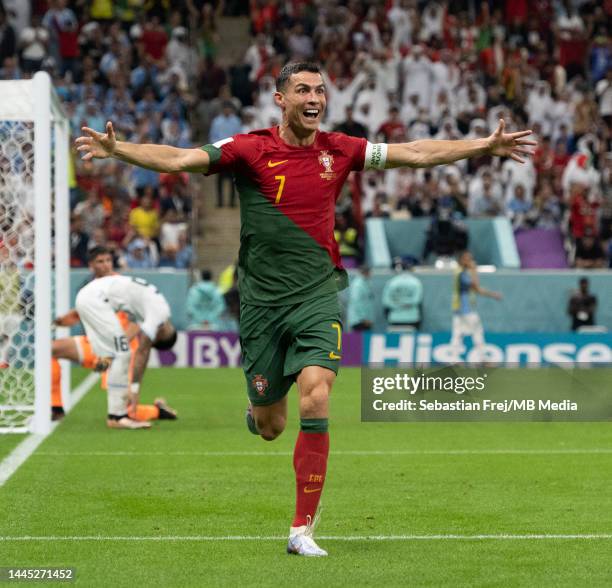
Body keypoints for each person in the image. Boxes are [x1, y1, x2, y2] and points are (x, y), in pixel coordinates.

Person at [75, 61, 535, 556]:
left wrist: (483, 146)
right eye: (302, 90)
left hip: (317, 295)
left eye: (319, 90)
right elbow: (179, 159)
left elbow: (416, 153)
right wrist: (117, 149)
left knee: (316, 397)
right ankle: (258, 410)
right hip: (261, 305)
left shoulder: (340, 150)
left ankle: (301, 529)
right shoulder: (248, 149)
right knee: (272, 427)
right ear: (280, 99)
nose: (314, 98)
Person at [52, 246, 178, 424]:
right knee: (50, 349)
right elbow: (85, 311)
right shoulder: (93, 286)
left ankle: (156, 411)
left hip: (119, 346)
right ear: (91, 265)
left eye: (108, 261)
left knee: (124, 405)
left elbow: (136, 324)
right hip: (97, 343)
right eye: (100, 261)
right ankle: (54, 407)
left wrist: (115, 347)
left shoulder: (122, 285)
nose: (105, 265)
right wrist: (64, 319)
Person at [449, 251, 502, 364]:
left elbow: (475, 289)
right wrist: (474, 270)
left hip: (458, 308)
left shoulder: (459, 272)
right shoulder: (462, 273)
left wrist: (493, 295)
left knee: (457, 334)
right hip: (466, 309)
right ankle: (483, 359)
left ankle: (453, 359)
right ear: (462, 260)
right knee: (477, 332)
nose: (471, 261)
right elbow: (476, 287)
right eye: (468, 259)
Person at [382, 258, 423, 330]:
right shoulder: (416, 282)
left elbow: (386, 301)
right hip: (412, 317)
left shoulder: (391, 282)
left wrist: (398, 305)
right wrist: (406, 304)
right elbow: (417, 300)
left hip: (395, 317)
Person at [347, 265, 375, 331]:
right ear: (366, 272)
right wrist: (364, 319)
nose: (371, 274)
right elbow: (356, 302)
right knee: (358, 340)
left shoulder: (366, 283)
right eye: (370, 272)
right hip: (359, 321)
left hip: (364, 320)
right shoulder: (358, 285)